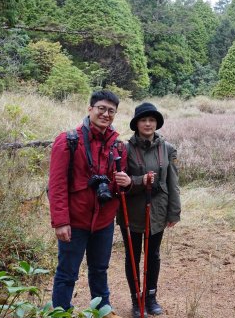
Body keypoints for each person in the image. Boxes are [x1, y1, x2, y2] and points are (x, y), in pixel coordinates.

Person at [48, 90, 128, 317]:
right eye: (101, 108)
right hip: (75, 220)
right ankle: (61, 313)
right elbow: (57, 185)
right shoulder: (68, 141)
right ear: (90, 109)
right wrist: (61, 221)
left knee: (100, 269)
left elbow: (120, 186)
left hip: (103, 221)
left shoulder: (118, 146)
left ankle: (102, 310)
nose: (106, 114)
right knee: (67, 272)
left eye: (111, 111)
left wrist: (127, 182)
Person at [115, 102, 181, 317]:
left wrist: (174, 212)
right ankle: (136, 300)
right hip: (131, 211)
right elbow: (120, 182)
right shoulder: (124, 149)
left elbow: (173, 183)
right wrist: (140, 181)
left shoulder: (167, 148)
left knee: (153, 254)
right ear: (136, 124)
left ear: (156, 123)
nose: (148, 123)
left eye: (152, 120)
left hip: (158, 212)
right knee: (132, 257)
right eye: (143, 120)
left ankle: (150, 297)